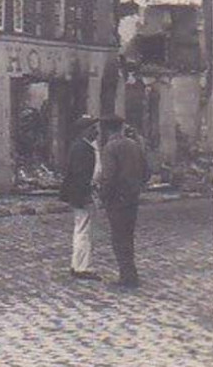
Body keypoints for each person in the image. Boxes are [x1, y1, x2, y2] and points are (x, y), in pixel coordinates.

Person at [98, 115, 150, 288]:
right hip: (132, 197)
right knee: (128, 236)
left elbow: (108, 177)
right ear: (121, 127)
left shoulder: (110, 148)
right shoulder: (134, 145)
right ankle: (131, 274)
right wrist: (136, 187)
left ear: (107, 130)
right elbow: (146, 172)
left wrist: (104, 197)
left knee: (119, 238)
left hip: (117, 199)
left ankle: (126, 277)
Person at [58, 115, 103, 281]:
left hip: (83, 194)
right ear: (85, 131)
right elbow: (79, 176)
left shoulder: (83, 146)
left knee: (82, 229)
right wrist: (86, 197)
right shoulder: (82, 148)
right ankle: (82, 267)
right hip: (83, 195)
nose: (96, 132)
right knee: (84, 231)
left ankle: (78, 264)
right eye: (93, 128)